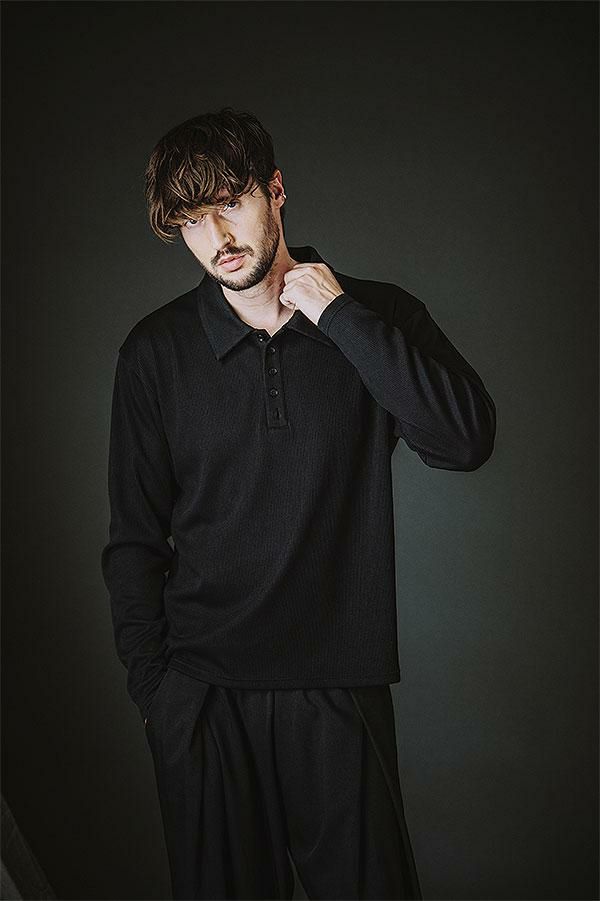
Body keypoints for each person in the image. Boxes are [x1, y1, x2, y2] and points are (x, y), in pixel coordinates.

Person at [101, 106, 496, 900]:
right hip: (204, 693)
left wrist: (340, 316)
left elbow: (464, 439)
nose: (218, 236)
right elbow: (135, 541)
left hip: (337, 686)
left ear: (275, 190)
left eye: (230, 202)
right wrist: (158, 695)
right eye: (192, 220)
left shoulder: (376, 316)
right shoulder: (154, 352)